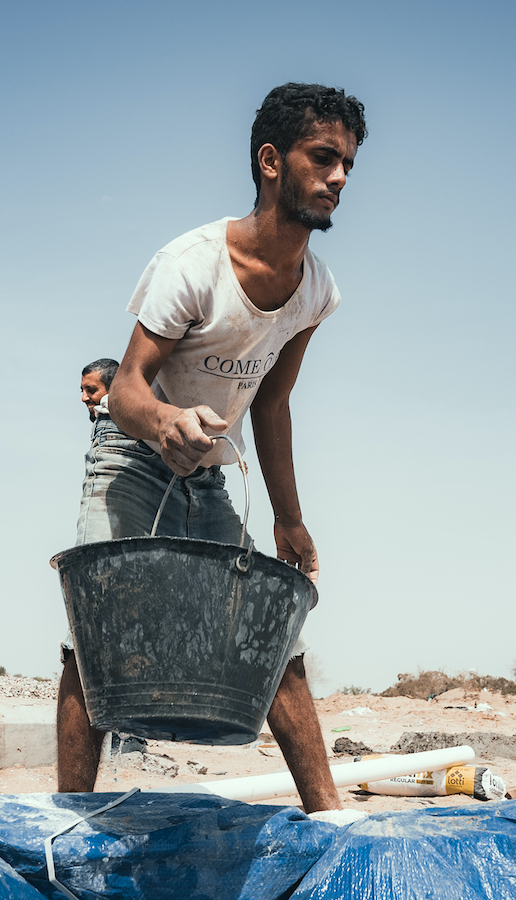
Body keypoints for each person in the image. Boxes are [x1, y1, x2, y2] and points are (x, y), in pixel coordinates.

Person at [59, 83, 366, 813]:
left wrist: (289, 520)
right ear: (271, 160)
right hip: (134, 460)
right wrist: (165, 423)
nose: (339, 178)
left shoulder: (314, 289)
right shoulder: (193, 263)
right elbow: (126, 387)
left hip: (211, 475)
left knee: (271, 635)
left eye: (348, 164)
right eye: (323, 158)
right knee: (94, 629)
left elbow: (274, 403)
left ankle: (327, 814)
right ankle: (68, 818)